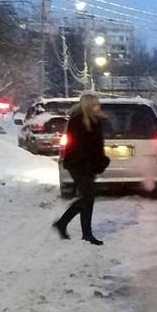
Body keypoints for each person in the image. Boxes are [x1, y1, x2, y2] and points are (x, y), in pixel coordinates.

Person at [53, 92, 108, 245]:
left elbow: (97, 147)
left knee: (88, 199)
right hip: (79, 165)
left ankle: (84, 233)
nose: (99, 106)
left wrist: (100, 161)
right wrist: (92, 162)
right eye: (96, 104)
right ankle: (64, 224)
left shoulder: (95, 121)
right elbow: (80, 147)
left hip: (88, 165)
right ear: (89, 106)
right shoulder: (77, 122)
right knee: (88, 198)